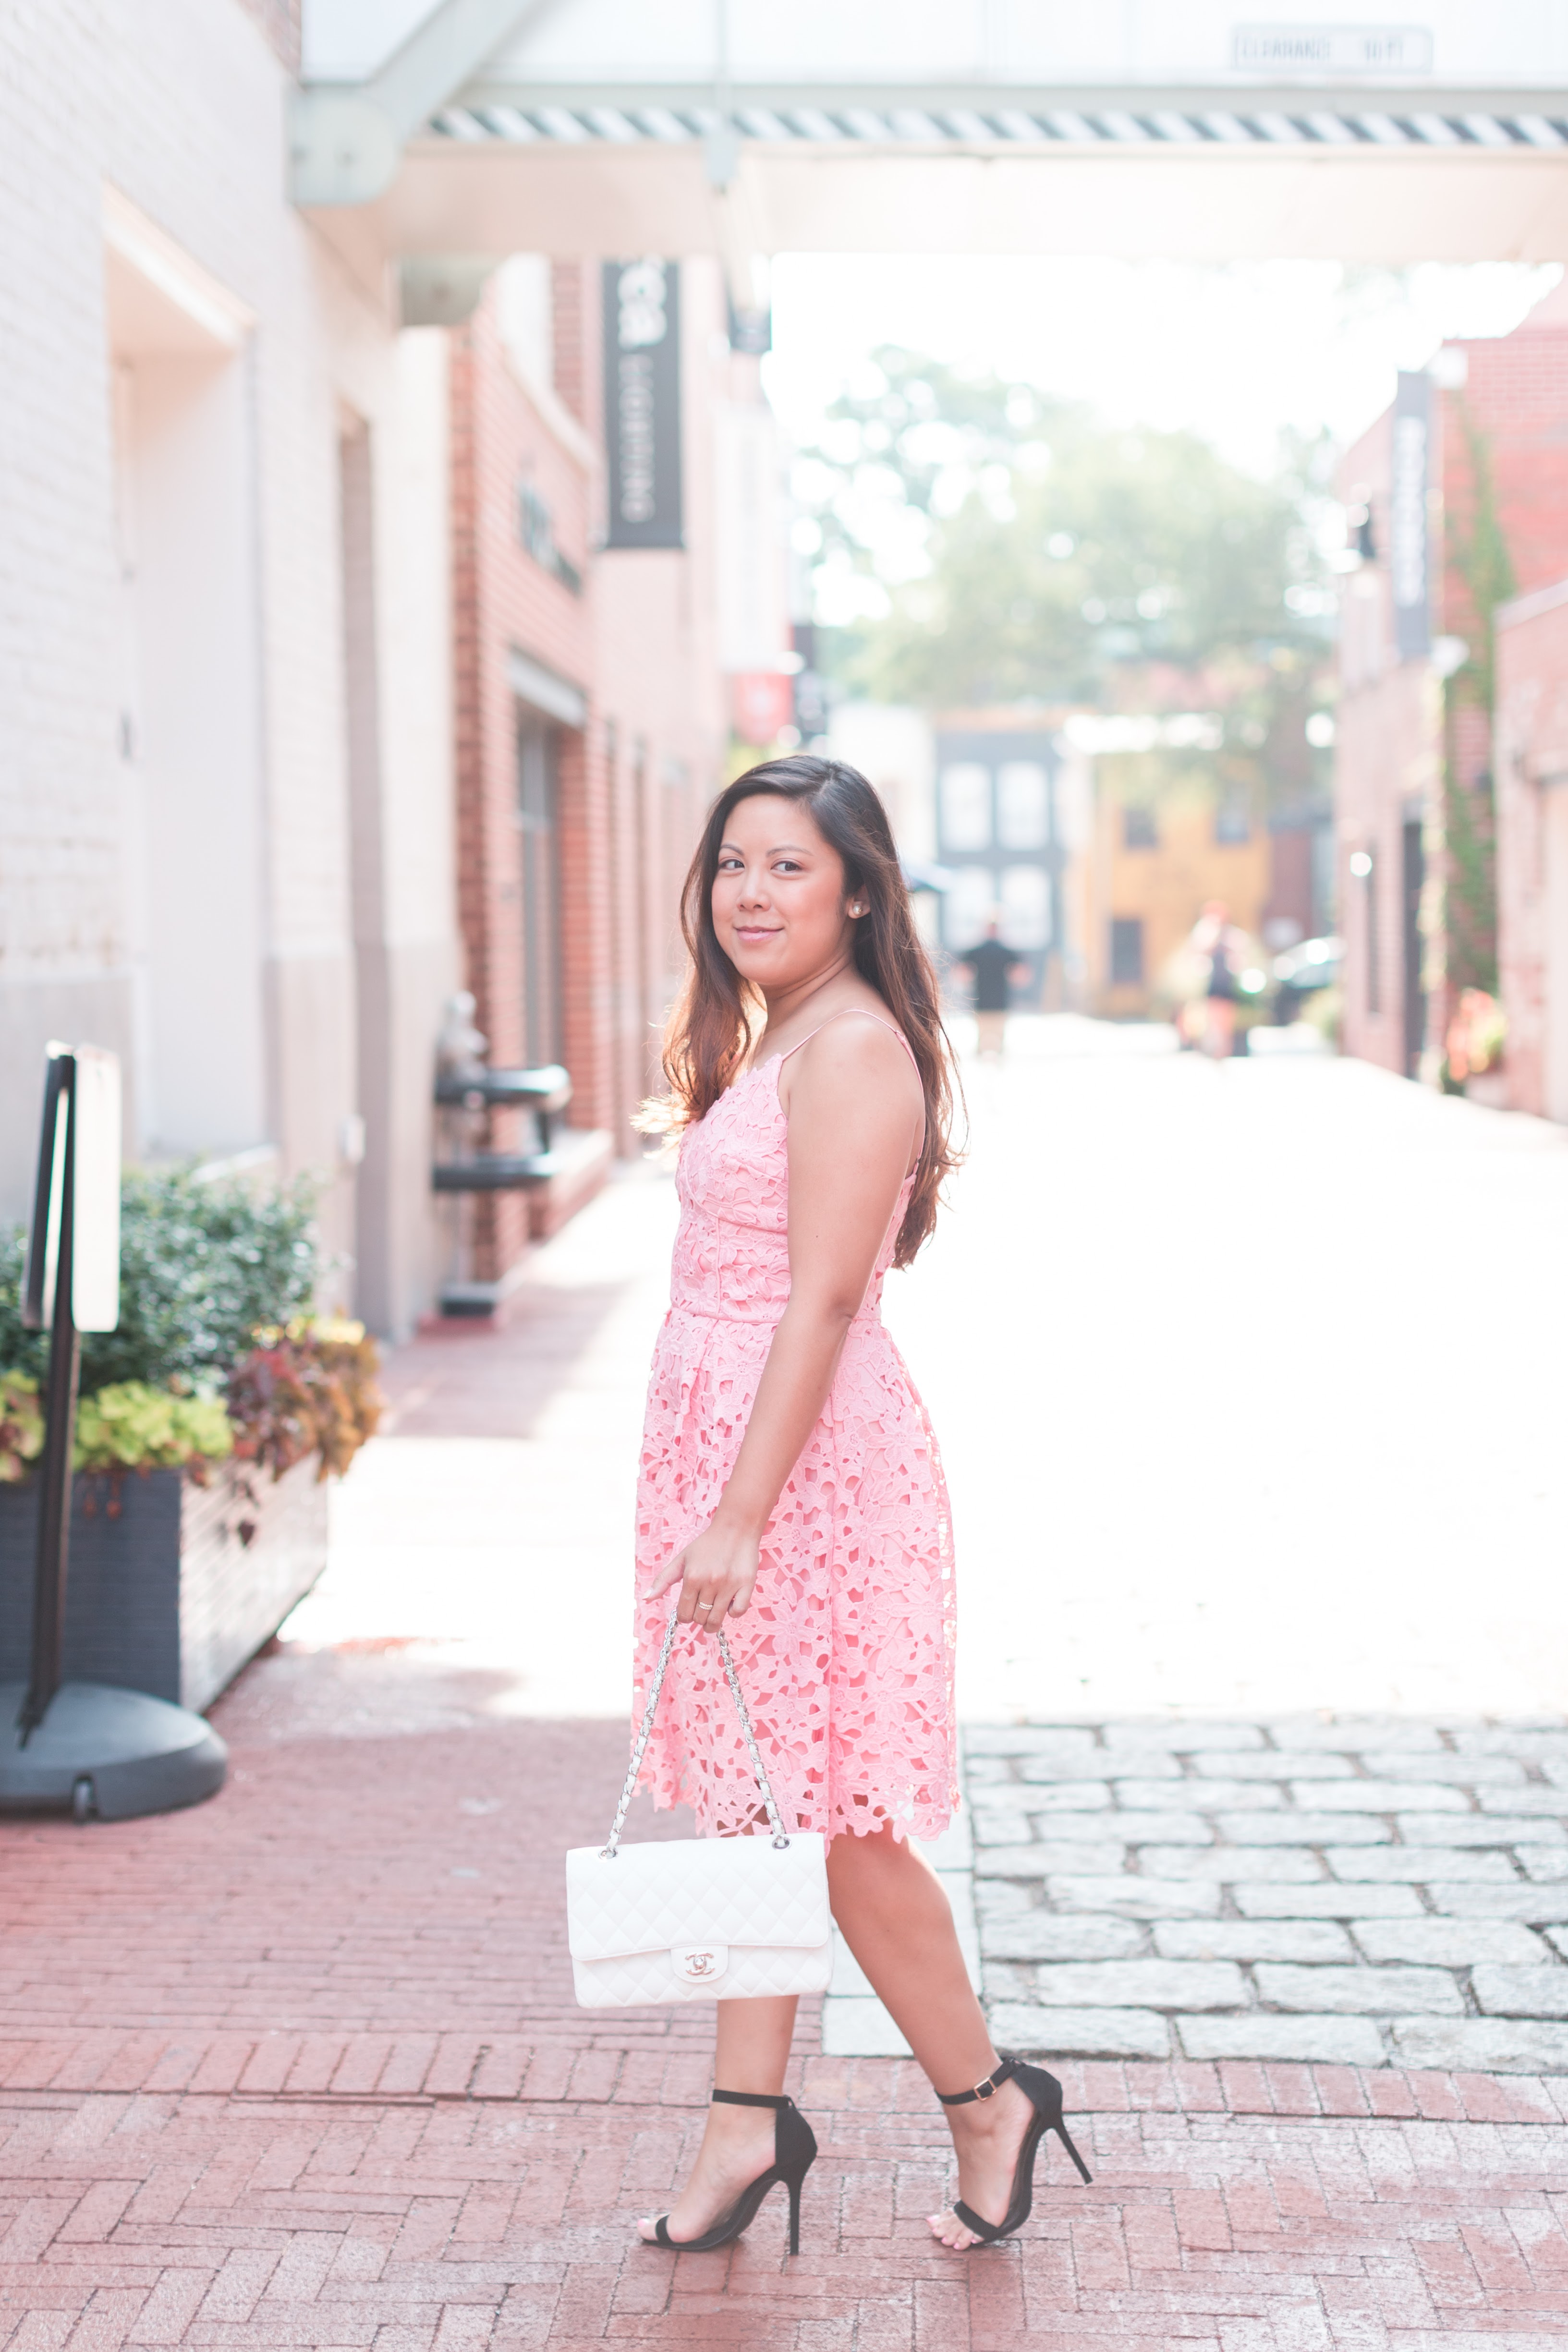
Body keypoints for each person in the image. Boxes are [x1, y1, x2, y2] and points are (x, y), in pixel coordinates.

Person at [629, 754, 1090, 2257]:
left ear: (857, 890)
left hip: (809, 1473)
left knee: (837, 1823)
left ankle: (966, 2098)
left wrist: (740, 1512)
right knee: (766, 1808)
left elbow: (824, 1300)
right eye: (732, 864)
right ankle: (762, 2119)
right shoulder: (781, 1035)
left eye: (787, 868)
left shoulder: (852, 1051)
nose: (749, 893)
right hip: (740, 1455)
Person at [957, 915, 1028, 1057]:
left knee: (984, 1041)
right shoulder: (1007, 951)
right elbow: (1021, 976)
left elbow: (962, 974)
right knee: (997, 1041)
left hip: (983, 1000)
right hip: (997, 1001)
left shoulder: (976, 951)